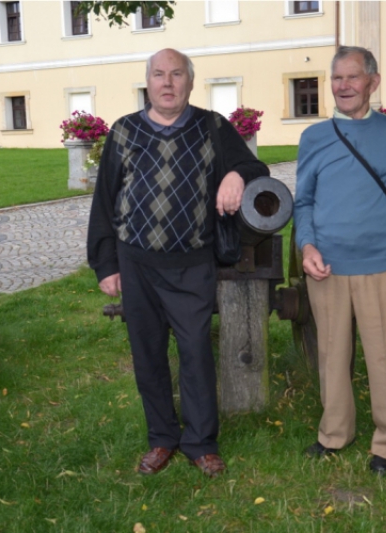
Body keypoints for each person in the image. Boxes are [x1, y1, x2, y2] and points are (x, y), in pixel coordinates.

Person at [87, 48, 269, 478]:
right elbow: (105, 201)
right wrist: (105, 264)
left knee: (194, 354)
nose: (167, 83)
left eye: (176, 75)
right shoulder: (124, 132)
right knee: (147, 356)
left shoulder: (211, 127)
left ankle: (201, 442)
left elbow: (254, 164)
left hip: (191, 264)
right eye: (159, 75)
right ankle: (161, 438)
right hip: (137, 265)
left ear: (190, 81)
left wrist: (235, 174)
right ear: (147, 82)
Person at [294, 46, 386, 474]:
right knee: (331, 355)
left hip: (384, 264)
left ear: (372, 81)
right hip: (328, 267)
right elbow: (304, 202)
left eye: (353, 77)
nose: (344, 86)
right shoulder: (313, 138)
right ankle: (335, 432)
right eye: (337, 78)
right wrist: (307, 246)